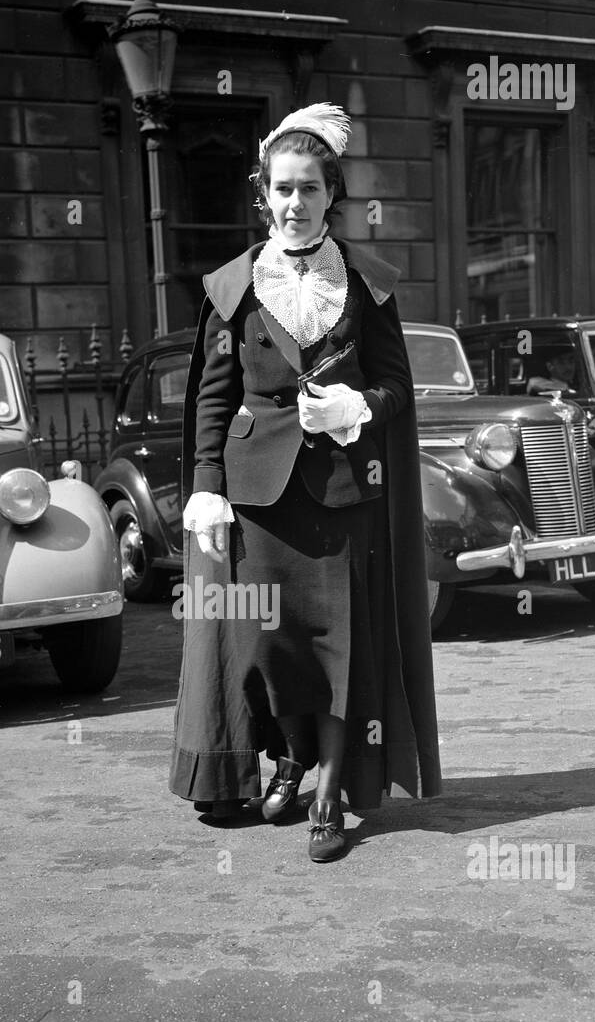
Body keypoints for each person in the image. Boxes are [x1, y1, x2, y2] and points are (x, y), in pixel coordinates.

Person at [168, 103, 441, 862]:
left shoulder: (367, 284)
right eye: (281, 190)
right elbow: (212, 398)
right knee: (265, 647)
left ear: (332, 196)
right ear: (263, 195)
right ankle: (288, 756)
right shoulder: (233, 288)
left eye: (310, 189)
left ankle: (326, 798)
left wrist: (360, 406)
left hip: (343, 495)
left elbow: (396, 388)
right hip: (256, 501)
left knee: (337, 652)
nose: (294, 203)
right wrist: (203, 483)